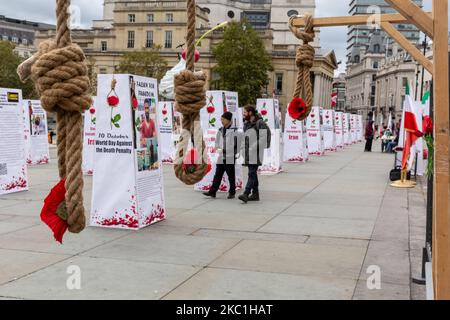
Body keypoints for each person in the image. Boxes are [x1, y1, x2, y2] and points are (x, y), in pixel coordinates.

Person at [203, 112, 241, 199]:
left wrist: (229, 151)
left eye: (223, 119)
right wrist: (218, 149)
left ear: (228, 120)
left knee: (231, 176)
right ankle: (212, 192)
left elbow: (237, 145)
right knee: (217, 175)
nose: (221, 121)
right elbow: (217, 142)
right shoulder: (220, 130)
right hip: (221, 156)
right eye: (221, 119)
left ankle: (232, 192)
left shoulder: (235, 131)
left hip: (230, 156)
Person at [238, 105, 271, 203]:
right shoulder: (247, 123)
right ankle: (255, 194)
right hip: (248, 152)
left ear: (250, 113)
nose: (243, 114)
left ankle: (246, 193)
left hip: (256, 151)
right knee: (252, 173)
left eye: (244, 112)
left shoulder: (260, 123)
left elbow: (263, 138)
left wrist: (253, 147)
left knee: (251, 172)